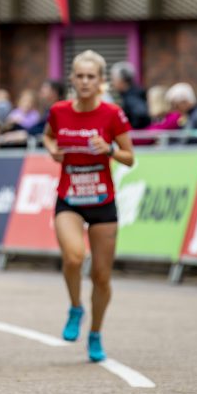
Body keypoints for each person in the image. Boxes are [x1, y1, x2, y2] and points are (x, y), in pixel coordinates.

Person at [42, 50, 134, 363]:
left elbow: (130, 157)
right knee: (73, 257)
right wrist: (54, 151)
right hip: (69, 197)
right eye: (79, 76)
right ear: (72, 79)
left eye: (90, 77)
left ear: (101, 81)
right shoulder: (59, 110)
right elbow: (48, 137)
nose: (84, 82)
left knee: (102, 276)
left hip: (102, 201)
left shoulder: (111, 114)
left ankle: (95, 333)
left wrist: (108, 149)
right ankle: (75, 307)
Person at [110, 61, 150, 129]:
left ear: (122, 80)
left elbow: (140, 114)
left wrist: (130, 130)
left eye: (113, 79)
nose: (112, 83)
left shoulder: (131, 97)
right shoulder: (132, 94)